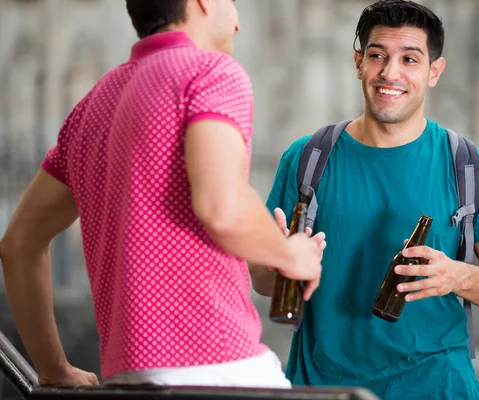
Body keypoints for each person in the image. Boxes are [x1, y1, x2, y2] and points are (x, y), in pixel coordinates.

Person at [0, 0, 324, 389]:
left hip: (128, 377)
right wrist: (292, 253)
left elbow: (18, 245)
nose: (237, 22)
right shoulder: (210, 72)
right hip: (216, 366)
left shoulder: (92, 104)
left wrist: (52, 368)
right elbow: (222, 209)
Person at [249, 1, 479, 399]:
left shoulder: (466, 165)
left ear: (434, 71)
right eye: (377, 55)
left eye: (409, 59)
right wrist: (280, 262)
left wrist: (458, 276)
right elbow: (261, 280)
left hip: (439, 386)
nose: (390, 73)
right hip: (325, 386)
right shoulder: (308, 159)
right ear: (359, 62)